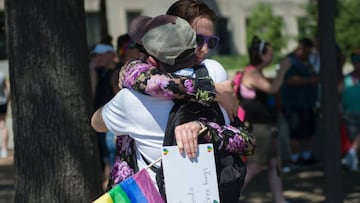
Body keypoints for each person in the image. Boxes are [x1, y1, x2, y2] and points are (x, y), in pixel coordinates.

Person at [91, 14, 255, 194]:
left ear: (151, 59)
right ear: (194, 46)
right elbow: (245, 139)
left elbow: (96, 123)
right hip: (213, 190)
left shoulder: (130, 100)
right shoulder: (215, 73)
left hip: (156, 195)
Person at [237, 36, 290, 203]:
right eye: (269, 54)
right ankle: (230, 195)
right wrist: (282, 70)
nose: (272, 57)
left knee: (274, 164)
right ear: (261, 55)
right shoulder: (252, 74)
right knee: (255, 166)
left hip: (266, 126)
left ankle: (279, 199)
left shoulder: (254, 72)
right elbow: (273, 89)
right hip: (259, 128)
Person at [280, 38, 318, 168]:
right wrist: (309, 81)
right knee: (295, 132)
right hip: (293, 104)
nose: (308, 54)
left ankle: (306, 156)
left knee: (307, 131)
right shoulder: (290, 61)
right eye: (307, 51)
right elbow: (289, 80)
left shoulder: (307, 61)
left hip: (307, 104)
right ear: (301, 48)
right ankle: (296, 158)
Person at [89, 43, 118, 190]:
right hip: (101, 121)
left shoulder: (117, 73)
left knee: (113, 156)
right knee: (107, 158)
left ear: (110, 55)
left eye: (100, 55)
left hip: (112, 123)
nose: (97, 59)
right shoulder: (98, 73)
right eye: (95, 56)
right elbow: (92, 95)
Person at [339, 48, 360, 172]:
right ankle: (353, 158)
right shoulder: (345, 79)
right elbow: (337, 95)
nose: (358, 63)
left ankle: (351, 155)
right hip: (350, 113)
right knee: (353, 138)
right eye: (355, 60)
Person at [0, 71, 10, 158]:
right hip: (2, 103)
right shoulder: (1, 74)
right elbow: (8, 88)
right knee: (3, 125)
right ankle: (4, 150)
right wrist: (7, 99)